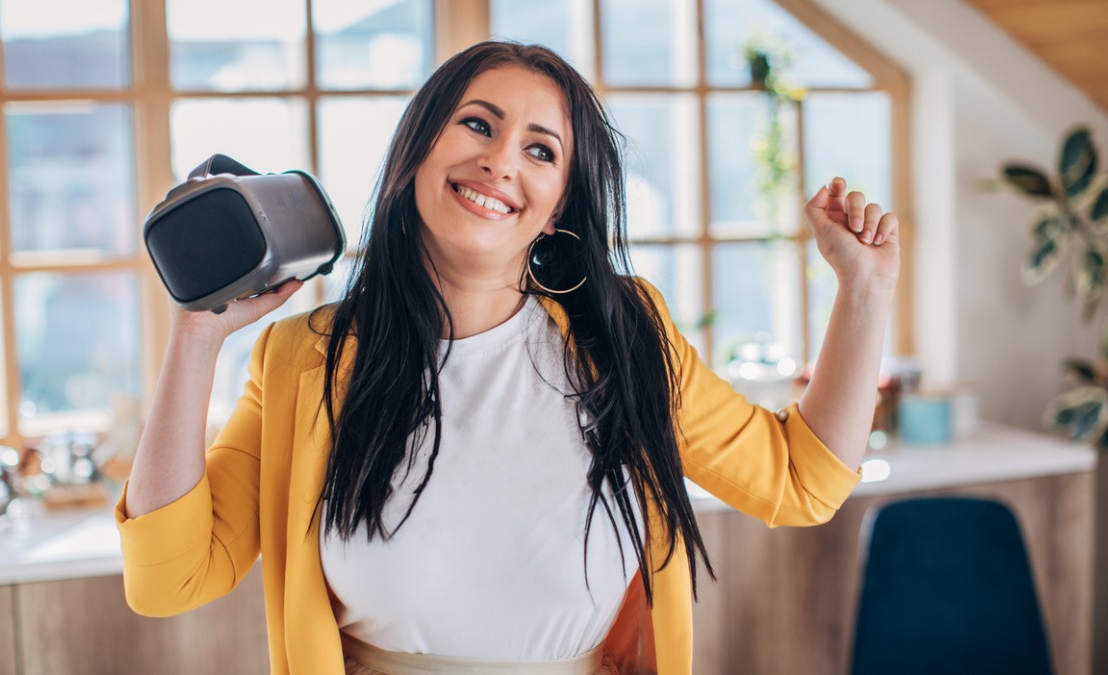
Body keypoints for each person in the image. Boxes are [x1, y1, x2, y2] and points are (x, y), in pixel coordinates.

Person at [116, 40, 899, 675]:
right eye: (477, 125)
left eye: (541, 149)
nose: (501, 163)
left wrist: (863, 290)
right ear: (416, 151)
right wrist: (197, 336)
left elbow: (803, 480)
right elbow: (169, 578)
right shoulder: (305, 361)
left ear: (561, 203)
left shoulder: (625, 335)